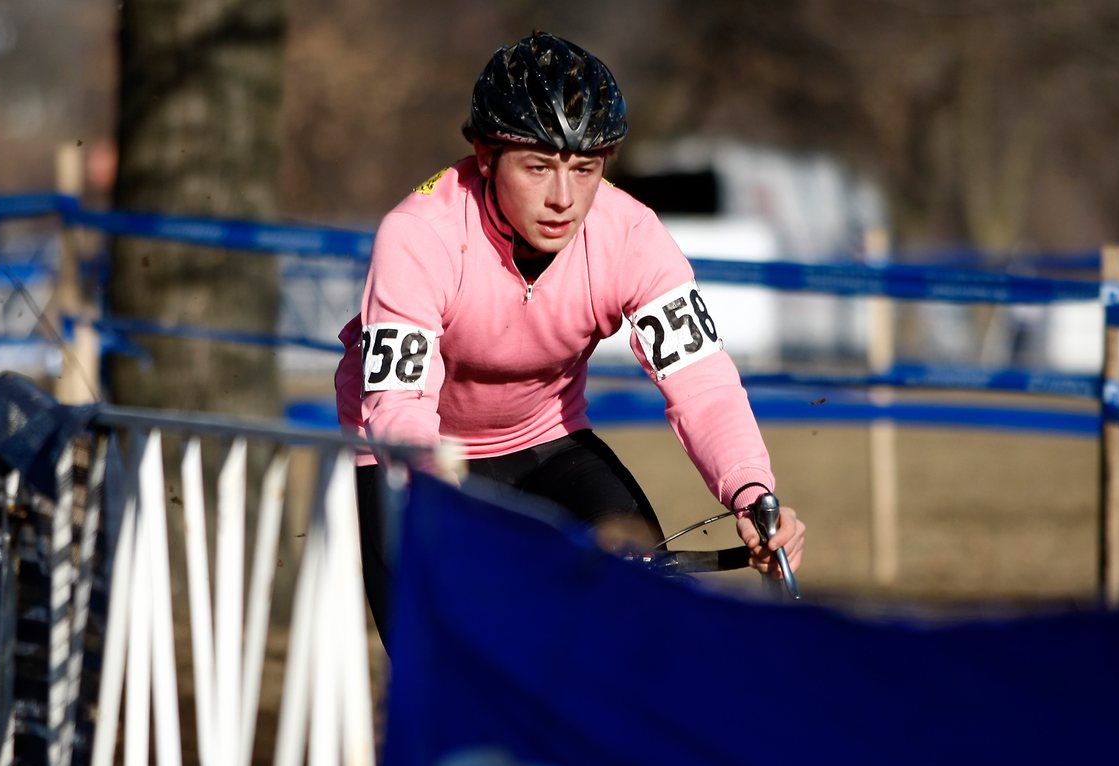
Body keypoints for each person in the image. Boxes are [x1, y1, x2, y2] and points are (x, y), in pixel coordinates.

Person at [335, 32, 805, 641]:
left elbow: (702, 383)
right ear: (485, 155)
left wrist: (754, 496)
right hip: (409, 453)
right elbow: (400, 405)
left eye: (584, 169)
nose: (564, 198)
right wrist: (441, 503)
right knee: (447, 665)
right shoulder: (420, 234)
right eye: (537, 168)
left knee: (641, 618)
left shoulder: (630, 235)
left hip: (547, 441)